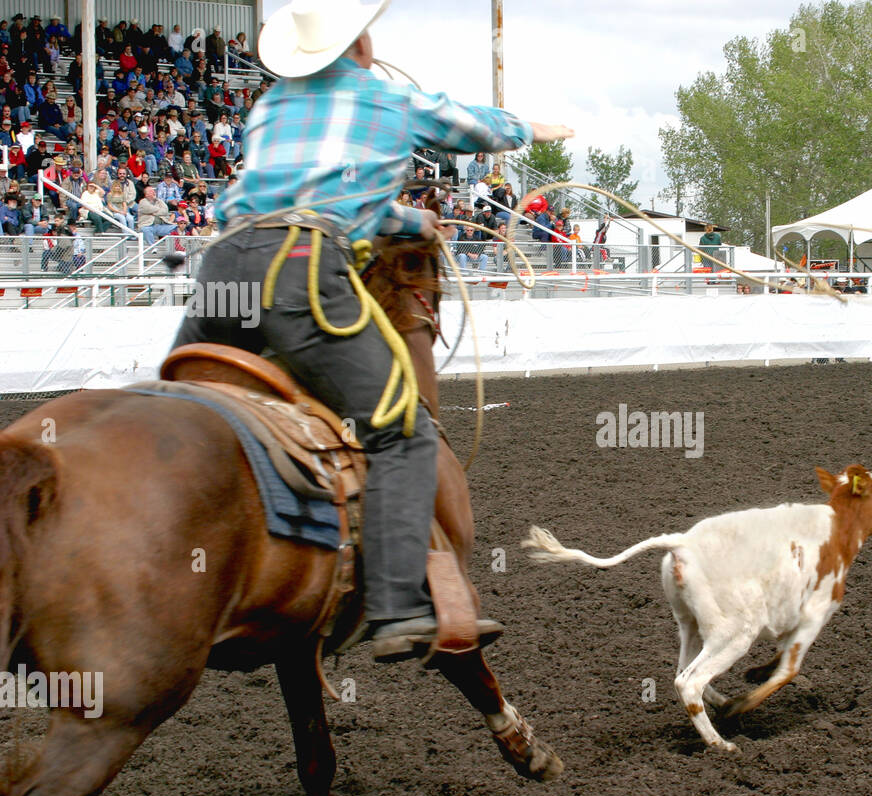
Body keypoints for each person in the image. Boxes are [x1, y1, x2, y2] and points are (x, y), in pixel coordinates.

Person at [172, 0, 574, 659]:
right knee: (403, 434)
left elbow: (315, 191)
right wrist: (533, 128)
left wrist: (414, 225)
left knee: (179, 411)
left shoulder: (269, 108)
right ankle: (395, 608)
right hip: (299, 274)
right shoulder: (382, 100)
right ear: (357, 45)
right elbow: (467, 126)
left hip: (223, 270)